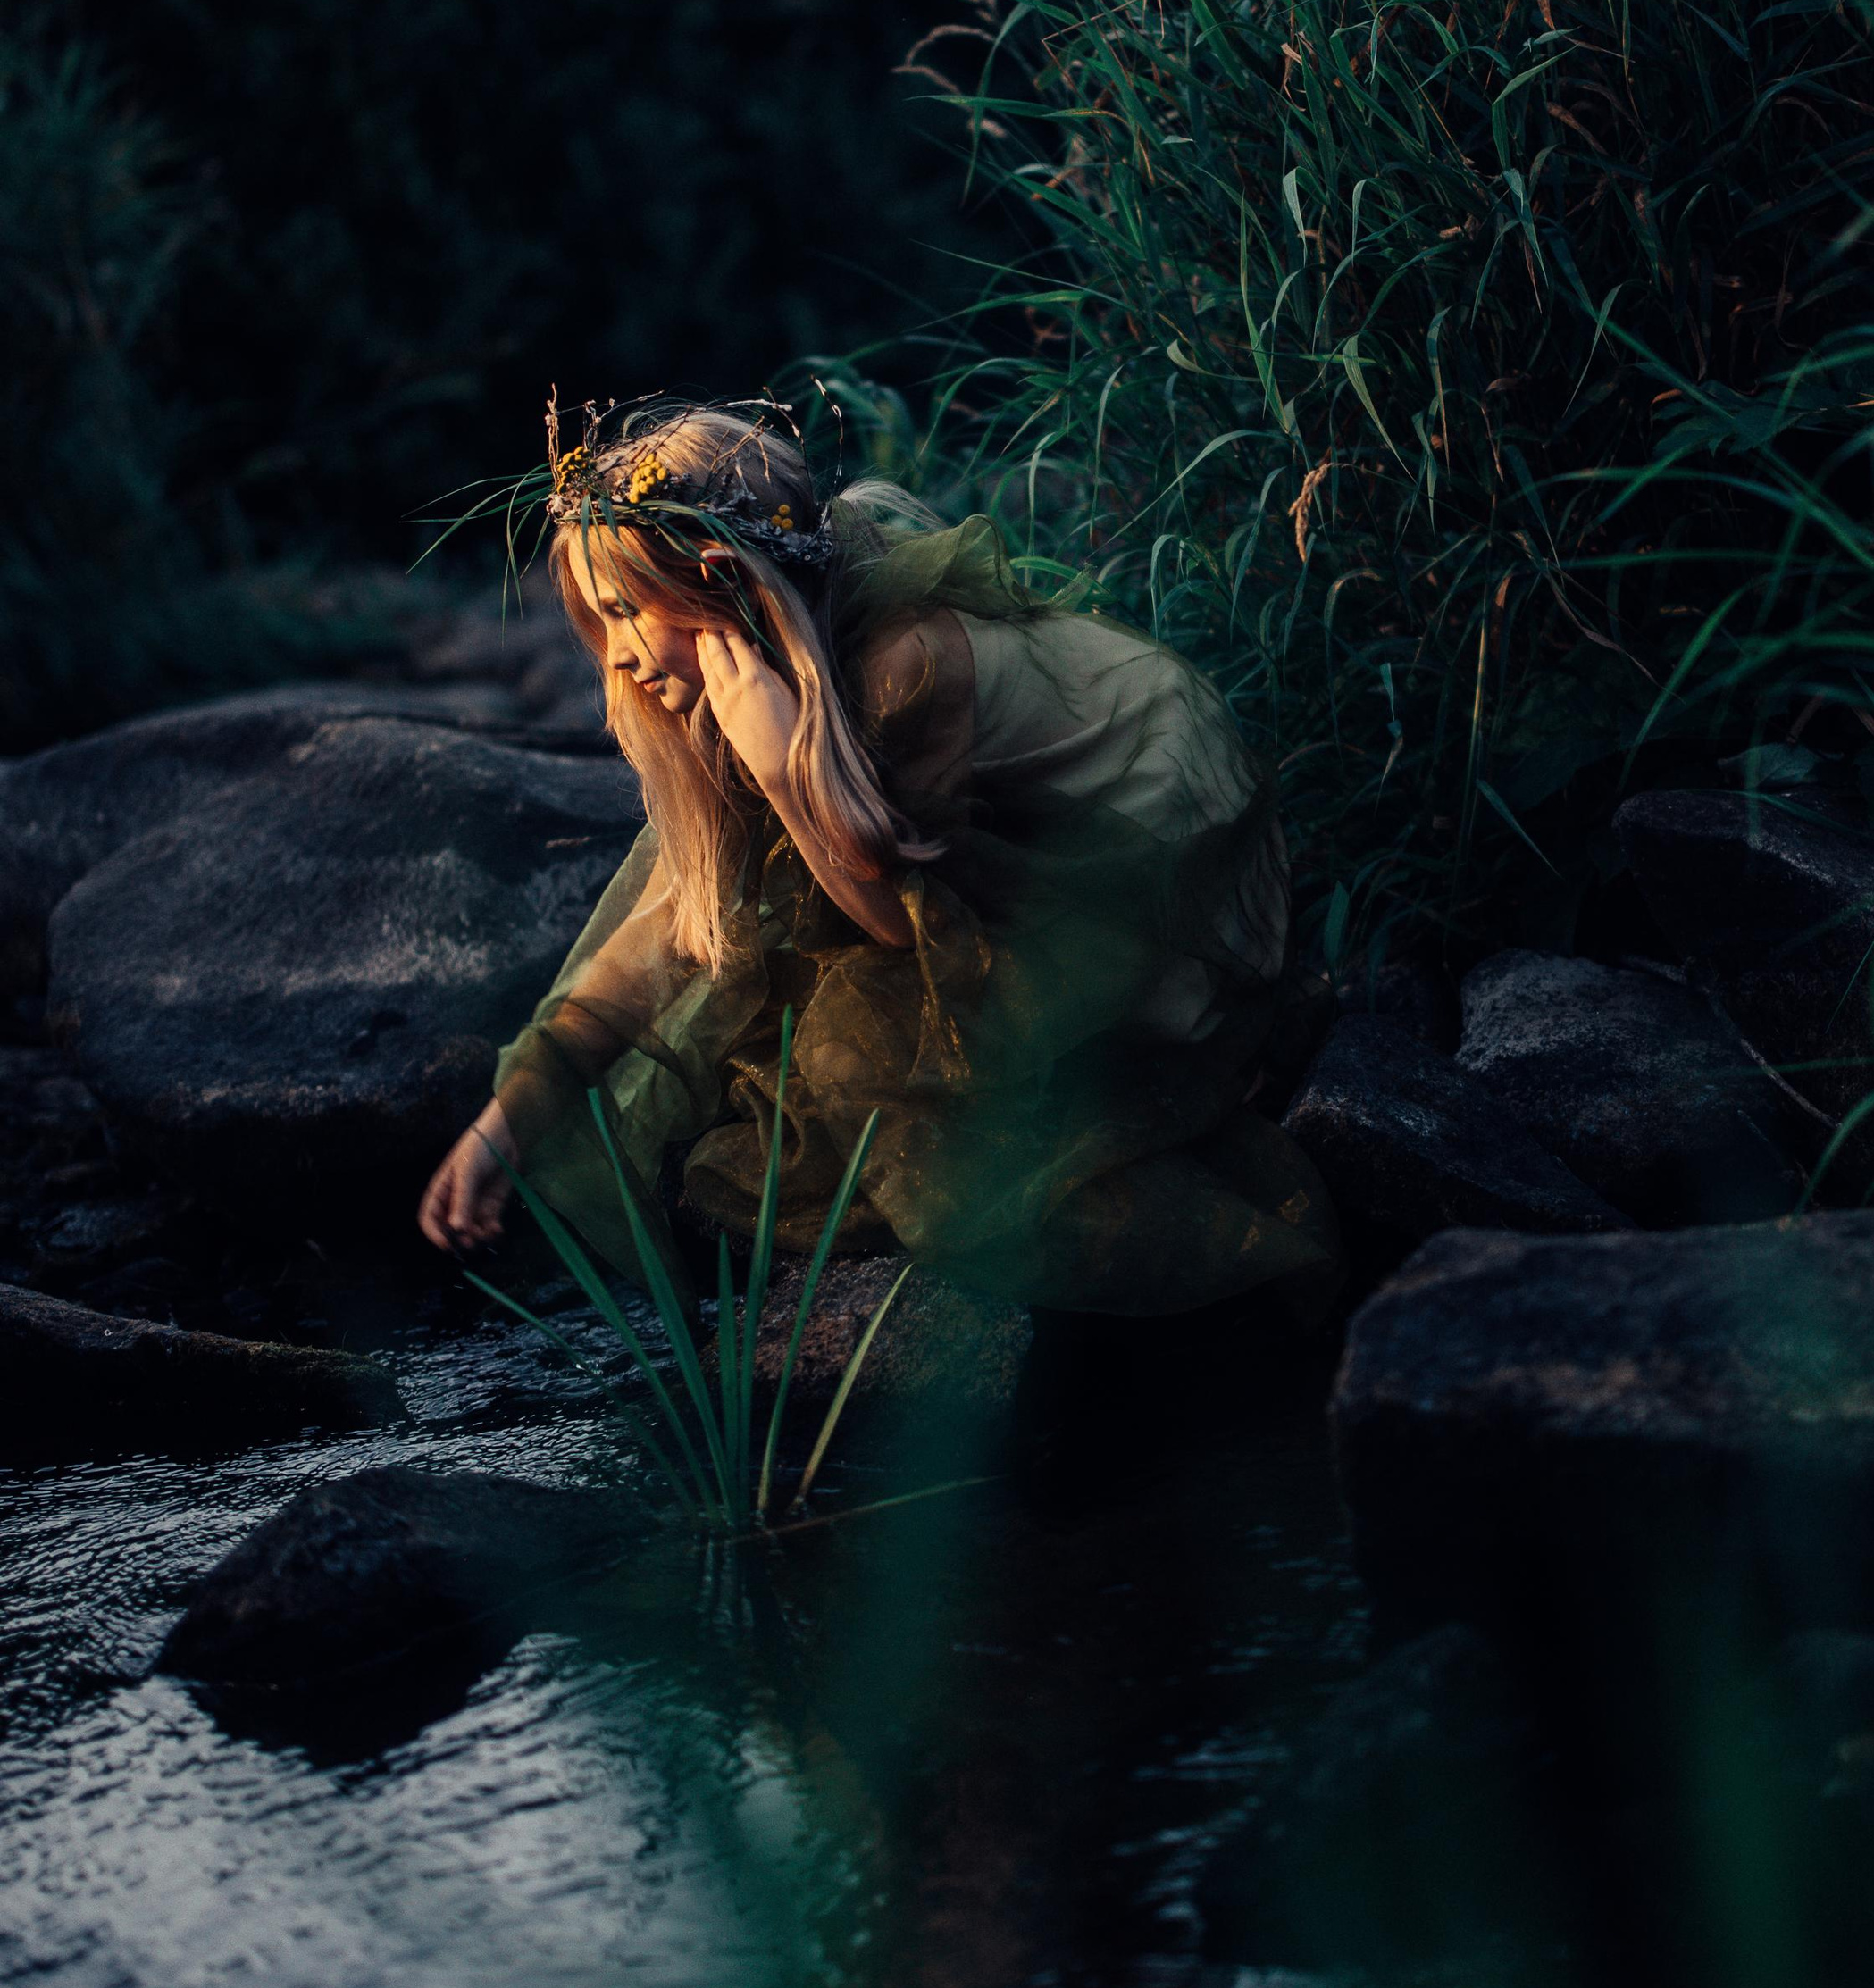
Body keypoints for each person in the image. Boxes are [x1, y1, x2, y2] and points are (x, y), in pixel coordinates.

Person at [417, 399, 1340, 1318]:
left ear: (717, 577)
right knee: (771, 1014)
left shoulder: (903, 663)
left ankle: (1181, 1084)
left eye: (624, 612)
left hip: (1144, 860)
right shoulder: (747, 680)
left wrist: (784, 775)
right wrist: (515, 1116)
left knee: (897, 1103)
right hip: (970, 862)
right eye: (598, 623)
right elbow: (670, 922)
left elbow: (909, 931)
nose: (616, 658)